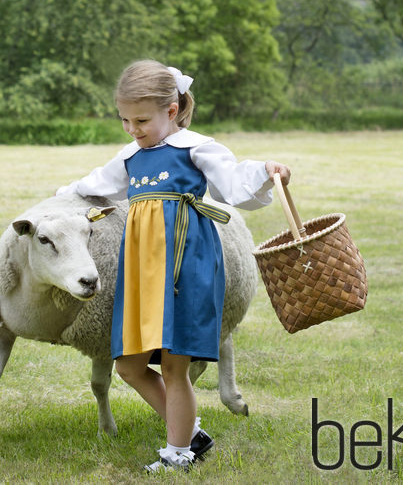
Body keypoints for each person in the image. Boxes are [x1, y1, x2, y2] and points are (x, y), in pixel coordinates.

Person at [57, 59, 291, 473]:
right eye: (124, 120)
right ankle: (191, 432)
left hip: (186, 265)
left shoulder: (196, 148)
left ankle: (179, 454)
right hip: (142, 273)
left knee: (173, 363)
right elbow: (89, 187)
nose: (132, 128)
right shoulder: (131, 156)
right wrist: (55, 203)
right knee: (129, 365)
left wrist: (267, 172)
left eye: (141, 119)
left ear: (171, 110)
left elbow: (235, 183)